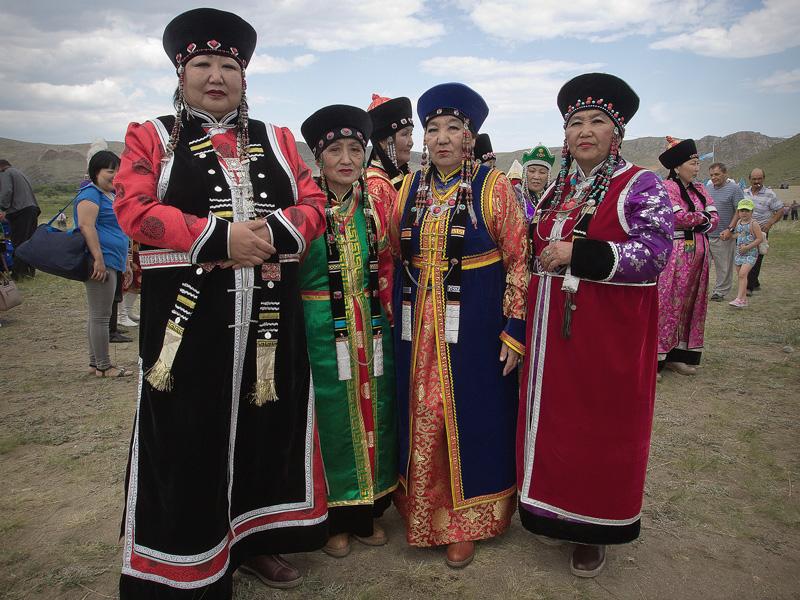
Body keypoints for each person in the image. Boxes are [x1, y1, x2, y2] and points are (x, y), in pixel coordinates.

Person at [113, 9, 329, 597]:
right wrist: (218, 238)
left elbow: (313, 204)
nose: (216, 76)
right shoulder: (151, 137)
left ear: (244, 75)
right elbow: (133, 210)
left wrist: (274, 233)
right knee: (188, 434)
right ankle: (188, 559)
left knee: (265, 427)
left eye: (228, 65)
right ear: (181, 75)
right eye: (202, 64)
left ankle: (255, 544)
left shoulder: (279, 141)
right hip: (188, 325)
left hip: (267, 319)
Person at [518, 73, 673, 578]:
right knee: (558, 425)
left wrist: (577, 253)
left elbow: (653, 256)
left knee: (600, 430)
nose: (585, 131)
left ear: (617, 131)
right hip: (552, 338)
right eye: (576, 122)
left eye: (597, 121)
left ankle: (595, 529)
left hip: (606, 337)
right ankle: (548, 511)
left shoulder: (639, 184)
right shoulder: (558, 188)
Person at [389, 82, 527, 569]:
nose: (442, 138)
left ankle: (464, 521)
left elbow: (518, 260)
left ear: (470, 137)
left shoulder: (494, 187)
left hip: (473, 324)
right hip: (415, 325)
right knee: (420, 412)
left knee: (464, 415)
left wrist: (514, 327)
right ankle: (420, 512)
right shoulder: (408, 188)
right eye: (433, 129)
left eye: (453, 129)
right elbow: (389, 255)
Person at [299, 105, 397, 559]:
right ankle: (332, 518)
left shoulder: (376, 205)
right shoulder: (302, 208)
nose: (346, 158)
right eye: (335, 150)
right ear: (319, 158)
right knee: (331, 421)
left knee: (374, 413)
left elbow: (393, 262)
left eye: (354, 149)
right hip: (319, 328)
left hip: (371, 325)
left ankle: (367, 513)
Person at [656, 137, 718, 376]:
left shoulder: (700, 189)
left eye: (696, 163)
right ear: (677, 166)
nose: (696, 167)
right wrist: (702, 218)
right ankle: (657, 358)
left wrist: (700, 219)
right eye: (692, 162)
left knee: (689, 304)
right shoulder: (667, 187)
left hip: (699, 256)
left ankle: (678, 355)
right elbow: (677, 217)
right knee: (668, 302)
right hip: (677, 255)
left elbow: (715, 219)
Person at [75, 150, 132, 377]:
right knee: (101, 315)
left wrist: (126, 262)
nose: (115, 175)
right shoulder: (90, 194)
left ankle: (95, 363)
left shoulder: (109, 195)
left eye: (118, 170)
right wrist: (98, 259)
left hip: (112, 260)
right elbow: (86, 226)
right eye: (110, 171)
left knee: (98, 314)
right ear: (95, 172)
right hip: (101, 261)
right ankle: (104, 366)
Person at [365, 94, 414, 217]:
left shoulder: (404, 176)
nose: (411, 142)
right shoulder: (376, 186)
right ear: (383, 141)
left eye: (411, 134)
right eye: (404, 134)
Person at [706, 162, 743, 301]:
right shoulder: (707, 188)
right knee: (703, 266)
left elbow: (739, 210)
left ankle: (720, 292)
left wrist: (730, 229)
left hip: (724, 235)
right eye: (711, 175)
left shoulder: (734, 189)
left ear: (725, 173)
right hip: (706, 234)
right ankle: (702, 290)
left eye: (717, 174)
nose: (714, 177)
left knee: (724, 266)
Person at [744, 168, 783, 293]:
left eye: (759, 178)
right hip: (746, 230)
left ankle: (749, 286)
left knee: (757, 257)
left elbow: (780, 210)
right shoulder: (744, 192)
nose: (757, 181)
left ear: (763, 179)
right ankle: (755, 283)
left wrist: (770, 223)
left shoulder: (770, 194)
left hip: (761, 230)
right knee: (746, 256)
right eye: (754, 179)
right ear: (749, 179)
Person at [0, 160, 40, 280]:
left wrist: (2, 208)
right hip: (32, 209)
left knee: (19, 242)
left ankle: (19, 273)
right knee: (28, 241)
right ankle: (29, 271)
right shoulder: (19, 173)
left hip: (20, 211)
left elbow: (6, 191)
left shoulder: (5, 173)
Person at [729, 199, 763, 308]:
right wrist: (729, 236)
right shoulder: (739, 222)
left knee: (743, 274)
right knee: (741, 276)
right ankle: (743, 299)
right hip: (740, 253)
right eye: (742, 210)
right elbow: (739, 234)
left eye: (747, 210)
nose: (744, 213)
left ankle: (739, 299)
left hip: (750, 254)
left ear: (751, 212)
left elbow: (759, 238)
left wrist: (747, 247)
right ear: (738, 212)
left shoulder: (754, 224)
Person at [519, 144, 554, 221]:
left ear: (548, 176)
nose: (536, 177)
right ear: (524, 173)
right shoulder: (516, 195)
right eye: (532, 171)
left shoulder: (553, 197)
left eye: (542, 172)